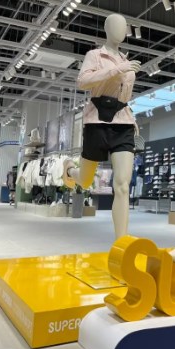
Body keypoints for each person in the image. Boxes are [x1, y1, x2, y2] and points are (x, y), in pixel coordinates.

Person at [63, 14, 141, 238]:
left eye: (124, 26)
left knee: (123, 185)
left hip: (123, 123)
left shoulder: (126, 60)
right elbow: (82, 82)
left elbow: (124, 95)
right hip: (97, 121)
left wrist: (132, 119)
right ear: (107, 28)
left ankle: (121, 243)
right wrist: (116, 70)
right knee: (86, 180)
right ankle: (70, 171)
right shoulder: (95, 55)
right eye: (116, 26)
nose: (121, 30)